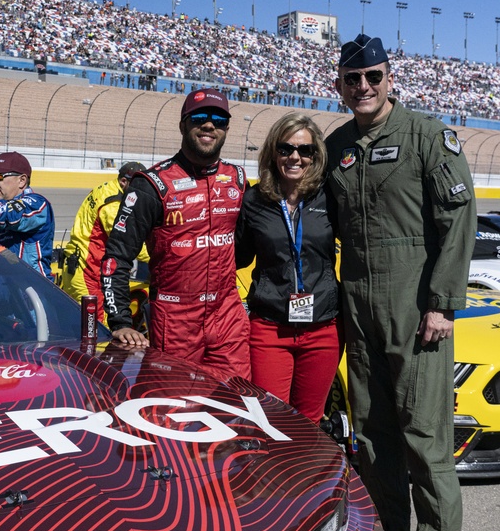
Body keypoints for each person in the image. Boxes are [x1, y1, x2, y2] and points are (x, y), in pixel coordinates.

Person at [325, 34, 477, 531]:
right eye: (352, 79)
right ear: (339, 85)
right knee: (371, 432)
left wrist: (442, 302)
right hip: (358, 303)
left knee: (423, 429)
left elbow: (457, 221)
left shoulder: (426, 135)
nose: (363, 87)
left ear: (389, 79)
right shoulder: (337, 144)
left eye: (373, 77)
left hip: (415, 303)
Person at [101, 88, 250, 380]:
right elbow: (116, 257)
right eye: (200, 117)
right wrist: (120, 321)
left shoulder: (238, 178)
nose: (209, 125)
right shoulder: (151, 185)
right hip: (175, 318)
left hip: (227, 315)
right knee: (171, 411)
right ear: (183, 124)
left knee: (237, 410)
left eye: (218, 119)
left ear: (226, 129)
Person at [235, 113, 340, 423]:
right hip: (270, 328)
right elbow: (236, 258)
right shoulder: (254, 200)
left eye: (305, 150)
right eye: (286, 148)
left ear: (315, 155)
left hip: (323, 328)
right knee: (269, 419)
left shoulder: (330, 197)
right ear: (273, 152)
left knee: (309, 421)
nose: (295, 157)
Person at [60, 161, 148, 322]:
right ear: (123, 181)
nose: (142, 192)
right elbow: (126, 242)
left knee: (85, 324)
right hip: (87, 270)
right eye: (139, 186)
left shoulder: (106, 189)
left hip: (79, 265)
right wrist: (160, 255)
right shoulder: (113, 204)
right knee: (96, 328)